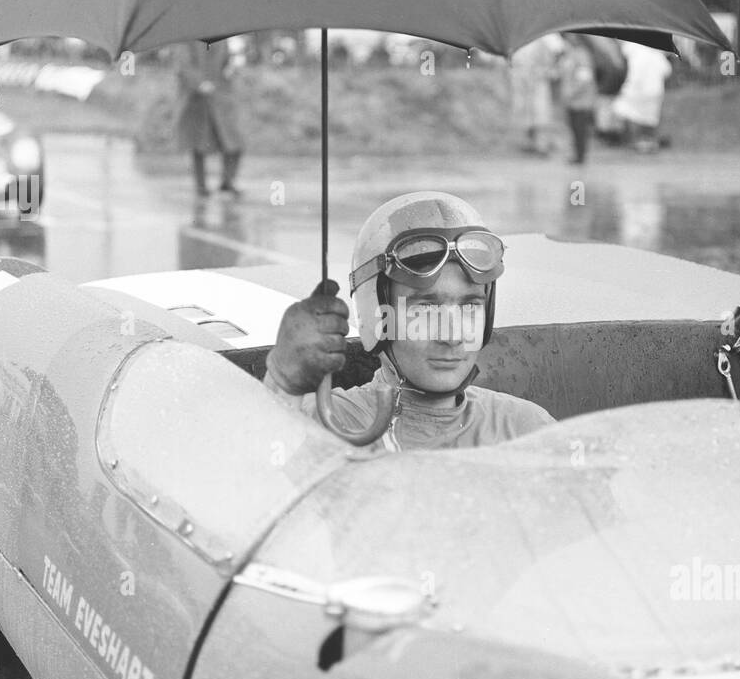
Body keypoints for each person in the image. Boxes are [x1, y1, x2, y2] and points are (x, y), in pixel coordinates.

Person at [264, 191, 555, 451]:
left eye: (470, 305)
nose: (453, 336)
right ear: (378, 316)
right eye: (426, 307)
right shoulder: (326, 424)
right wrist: (283, 383)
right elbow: (252, 474)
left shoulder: (525, 430)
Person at [174, 39, 243, 197]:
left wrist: (231, 68)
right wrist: (199, 84)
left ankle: (228, 181)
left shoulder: (222, 39)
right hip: (196, 101)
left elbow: (227, 63)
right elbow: (183, 66)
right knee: (199, 144)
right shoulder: (188, 40)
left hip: (220, 99)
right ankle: (201, 185)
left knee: (234, 141)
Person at [612, 42, 672, 152]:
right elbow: (667, 71)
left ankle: (635, 141)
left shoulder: (637, 56)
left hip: (639, 91)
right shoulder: (655, 54)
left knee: (629, 113)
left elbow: (635, 76)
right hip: (656, 91)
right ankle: (650, 142)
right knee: (650, 118)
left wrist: (626, 89)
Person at [558, 33, 598, 165]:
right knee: (574, 129)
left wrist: (572, 92)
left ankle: (580, 156)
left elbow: (585, 78)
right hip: (572, 101)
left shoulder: (582, 54)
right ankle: (577, 154)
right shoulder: (570, 54)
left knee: (580, 129)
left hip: (581, 101)